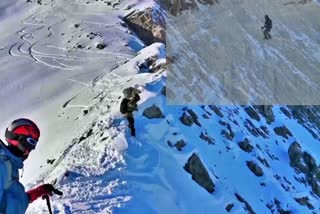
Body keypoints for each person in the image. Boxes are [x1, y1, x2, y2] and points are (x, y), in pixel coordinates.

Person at [0, 118, 60, 213]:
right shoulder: (2, 166)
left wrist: (39, 191)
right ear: (18, 140)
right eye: (29, 143)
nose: (29, 150)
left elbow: (16, 202)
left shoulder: (10, 165)